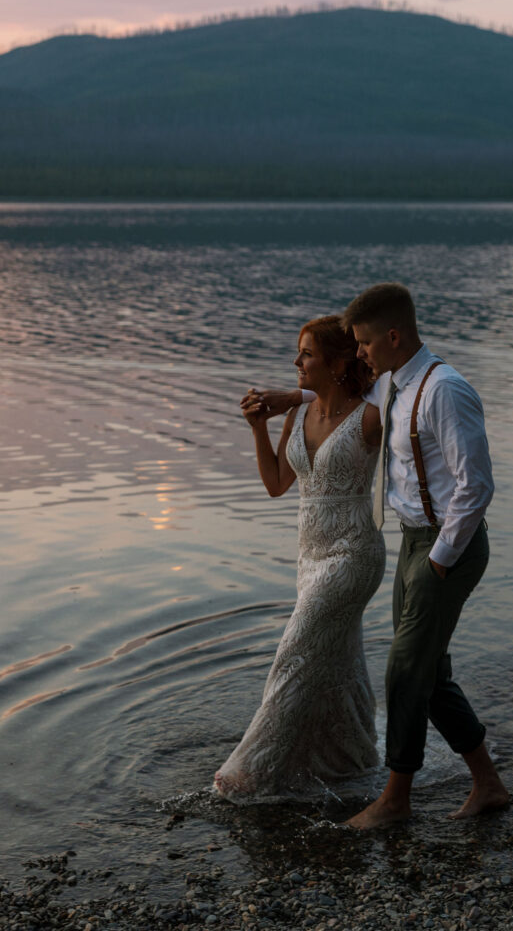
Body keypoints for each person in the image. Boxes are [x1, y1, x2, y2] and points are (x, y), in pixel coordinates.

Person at [245, 283, 508, 827]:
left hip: (443, 546)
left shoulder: (444, 390)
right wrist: (287, 398)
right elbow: (343, 398)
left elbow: (475, 486)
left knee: (404, 673)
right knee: (427, 677)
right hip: (410, 542)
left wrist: (439, 560)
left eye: (364, 342)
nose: (360, 351)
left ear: (393, 336)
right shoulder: (395, 386)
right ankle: (488, 783)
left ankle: (394, 801)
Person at [213, 315, 385, 799]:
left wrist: (297, 395)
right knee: (337, 663)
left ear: (338, 361)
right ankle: (348, 761)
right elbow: (275, 485)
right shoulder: (298, 412)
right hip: (309, 558)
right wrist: (259, 426)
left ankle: (251, 770)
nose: (295, 362)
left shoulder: (369, 416)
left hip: (354, 555)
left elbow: (401, 393)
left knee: (295, 650)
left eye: (306, 354)